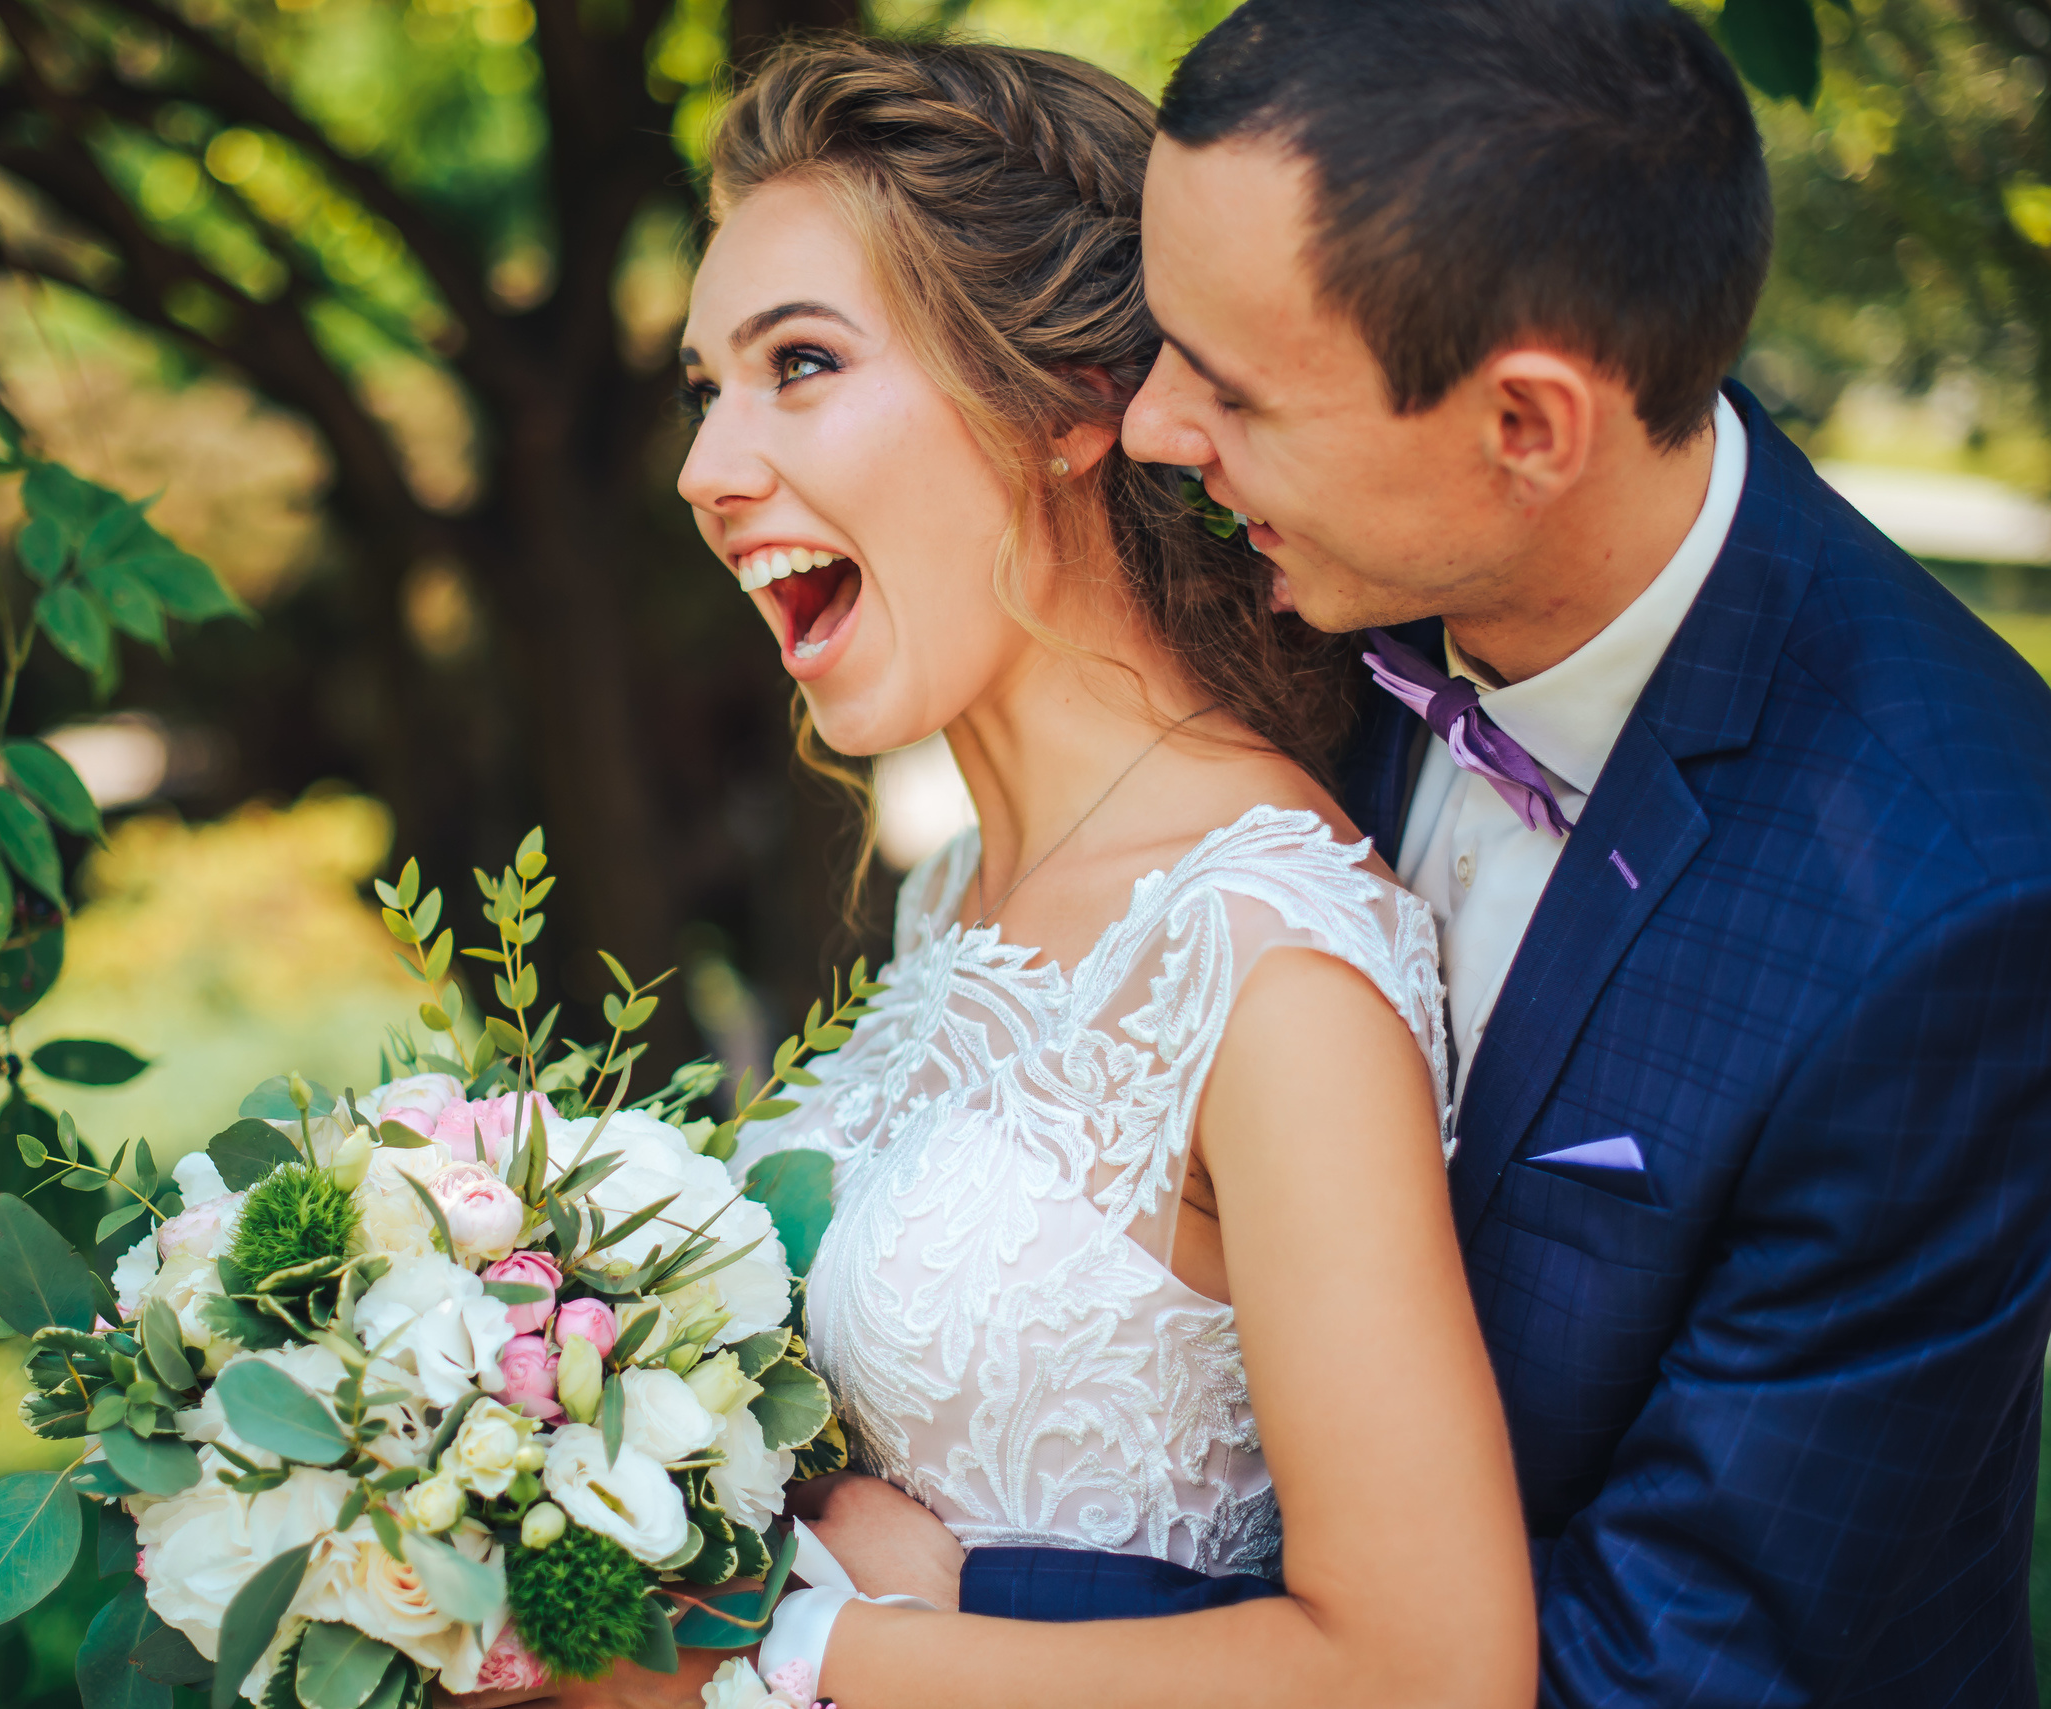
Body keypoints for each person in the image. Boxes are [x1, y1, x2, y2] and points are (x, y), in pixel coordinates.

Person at [463, 34, 1538, 1709]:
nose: (706, 470)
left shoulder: (1271, 957)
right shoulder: (949, 892)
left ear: (1062, 409)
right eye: (703, 390)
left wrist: (799, 1651)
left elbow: (1428, 1671)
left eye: (799, 363)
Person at [1113, 1, 2051, 1703]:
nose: (1153, 431)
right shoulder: (1286, 582)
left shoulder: (1946, 908)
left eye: (1231, 388)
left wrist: (939, 1617)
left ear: (1531, 428)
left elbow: (1675, 1666)